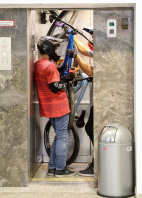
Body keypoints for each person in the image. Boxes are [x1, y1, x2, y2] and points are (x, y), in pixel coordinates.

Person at [34, 36, 76, 177]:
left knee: (58, 137)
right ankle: (61, 169)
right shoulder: (50, 66)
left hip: (49, 107)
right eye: (56, 48)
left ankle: (52, 167)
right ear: (49, 49)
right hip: (58, 106)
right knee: (63, 138)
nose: (57, 50)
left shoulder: (39, 64)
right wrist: (67, 78)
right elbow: (54, 86)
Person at [68, 27, 94, 177]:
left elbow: (90, 71)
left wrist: (76, 57)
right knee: (91, 128)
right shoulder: (97, 49)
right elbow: (85, 51)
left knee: (91, 128)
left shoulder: (104, 52)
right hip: (97, 100)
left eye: (93, 36)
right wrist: (74, 37)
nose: (91, 39)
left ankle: (96, 164)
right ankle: (97, 162)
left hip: (103, 100)